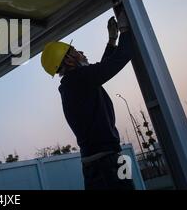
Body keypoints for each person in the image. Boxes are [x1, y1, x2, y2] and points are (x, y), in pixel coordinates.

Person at [41, 10, 135, 190]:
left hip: (98, 163)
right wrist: (125, 27)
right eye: (75, 51)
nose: (81, 52)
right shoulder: (79, 80)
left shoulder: (74, 83)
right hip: (107, 162)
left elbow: (101, 70)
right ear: (68, 61)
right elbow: (120, 59)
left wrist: (112, 41)